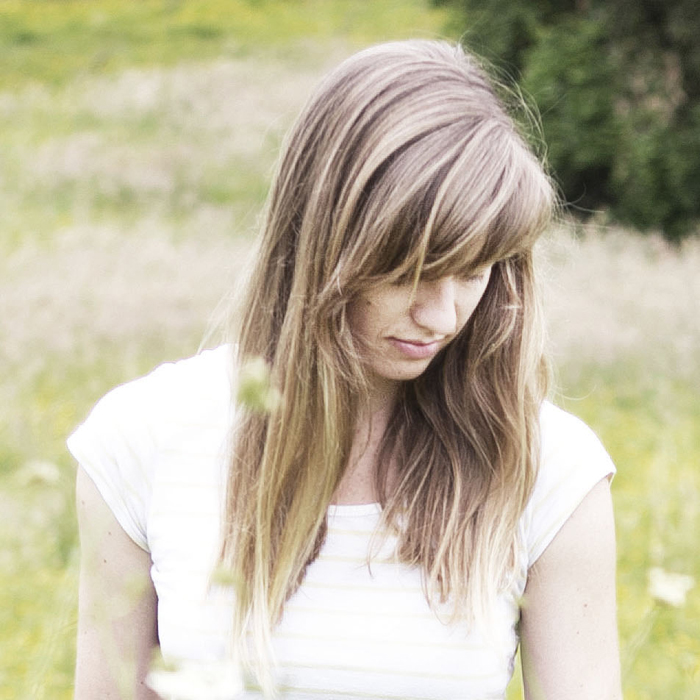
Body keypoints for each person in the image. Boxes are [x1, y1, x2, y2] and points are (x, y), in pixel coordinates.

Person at [69, 40, 622, 700]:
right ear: (322, 240)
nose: (443, 316)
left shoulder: (549, 470)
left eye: (473, 272)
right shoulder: (140, 440)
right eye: (411, 272)